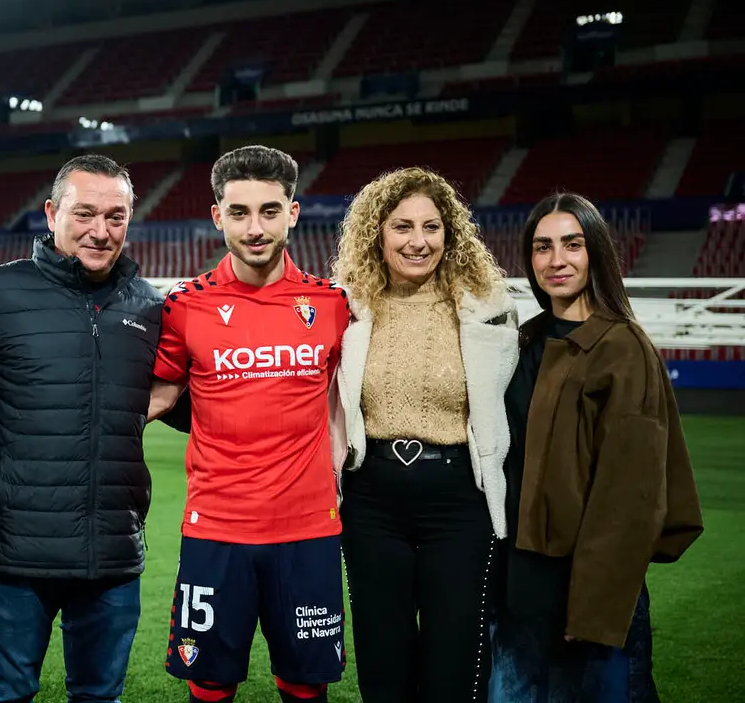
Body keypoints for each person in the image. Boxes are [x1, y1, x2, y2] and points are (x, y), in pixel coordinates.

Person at [147, 145, 351, 703]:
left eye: (268, 210)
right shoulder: (186, 305)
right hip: (216, 526)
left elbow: (349, 397)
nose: (254, 228)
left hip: (308, 528)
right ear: (218, 216)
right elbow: (158, 393)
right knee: (210, 680)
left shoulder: (332, 304)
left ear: (293, 211)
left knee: (305, 681)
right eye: (239, 212)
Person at [489, 192, 703, 702]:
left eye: (572, 245)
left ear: (597, 253)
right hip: (520, 586)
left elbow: (629, 500)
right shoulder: (523, 340)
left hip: (584, 597)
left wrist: (593, 609)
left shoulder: (624, 349)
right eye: (542, 247)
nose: (556, 260)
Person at [0, 154, 163, 703]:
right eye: (84, 214)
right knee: (5, 694)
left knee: (100, 697)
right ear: (51, 213)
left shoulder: (150, 307)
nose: (100, 232)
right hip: (13, 559)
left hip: (112, 557)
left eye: (116, 216)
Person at [330, 167, 519, 703]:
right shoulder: (346, 308)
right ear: (378, 234)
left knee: (453, 662)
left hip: (459, 501)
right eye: (402, 227)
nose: (418, 241)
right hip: (372, 500)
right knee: (383, 658)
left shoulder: (487, 308)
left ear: (449, 234)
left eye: (432, 227)